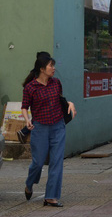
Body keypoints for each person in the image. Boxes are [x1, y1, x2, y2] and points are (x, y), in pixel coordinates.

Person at [22, 56, 76, 207]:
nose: (54, 68)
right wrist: (27, 120)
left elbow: (61, 100)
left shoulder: (56, 83)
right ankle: (29, 183)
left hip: (58, 126)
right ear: (41, 69)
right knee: (38, 163)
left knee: (57, 162)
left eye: (54, 65)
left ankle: (51, 197)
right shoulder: (30, 87)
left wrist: (70, 103)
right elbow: (24, 106)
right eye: (51, 66)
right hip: (40, 128)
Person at [17, 51, 52, 144]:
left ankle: (23, 132)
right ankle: (23, 131)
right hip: (38, 109)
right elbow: (24, 106)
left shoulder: (51, 80)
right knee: (37, 119)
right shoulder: (35, 78)